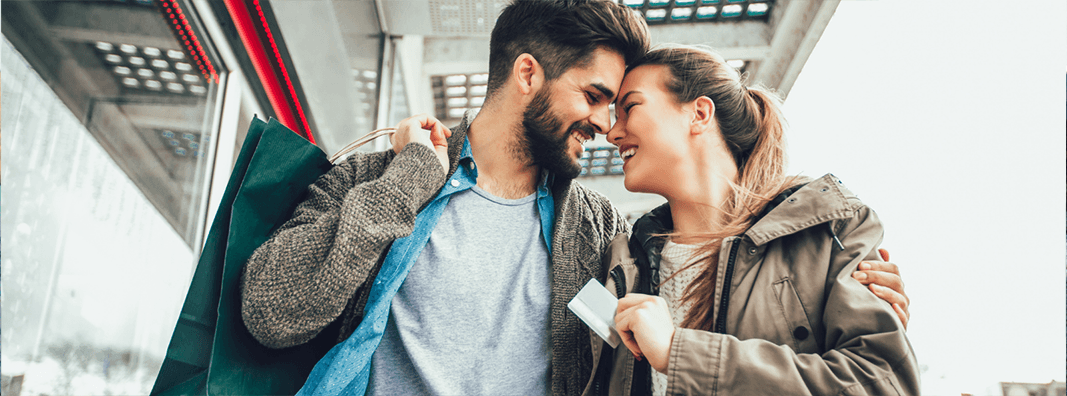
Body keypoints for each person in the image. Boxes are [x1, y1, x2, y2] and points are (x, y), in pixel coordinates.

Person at [240, 1, 910, 395]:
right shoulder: (378, 178)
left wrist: (844, 297)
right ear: (528, 74)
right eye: (594, 97)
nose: (605, 126)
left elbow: (666, 332)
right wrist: (408, 179)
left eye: (620, 107)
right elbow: (273, 313)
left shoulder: (600, 234)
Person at [584, 45, 918, 395]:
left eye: (631, 107)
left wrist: (678, 352)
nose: (612, 132)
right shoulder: (621, 263)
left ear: (699, 113)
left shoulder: (829, 231)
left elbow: (884, 383)